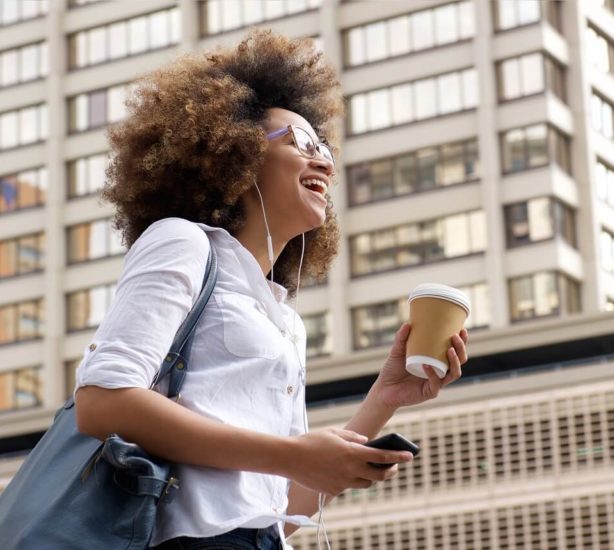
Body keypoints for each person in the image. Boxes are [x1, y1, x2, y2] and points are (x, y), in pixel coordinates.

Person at [73, 29, 469, 550]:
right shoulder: (183, 242)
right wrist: (295, 455)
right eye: (300, 144)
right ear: (235, 154)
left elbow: (279, 515)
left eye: (323, 148)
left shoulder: (285, 322)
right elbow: (101, 402)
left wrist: (385, 397)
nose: (324, 161)